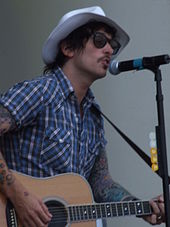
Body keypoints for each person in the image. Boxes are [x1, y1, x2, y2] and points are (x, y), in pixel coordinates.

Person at [0, 6, 165, 227]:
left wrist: (143, 207)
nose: (109, 50)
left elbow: (101, 183)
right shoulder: (40, 92)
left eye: (112, 45)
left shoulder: (93, 116)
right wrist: (19, 197)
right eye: (99, 40)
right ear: (68, 47)